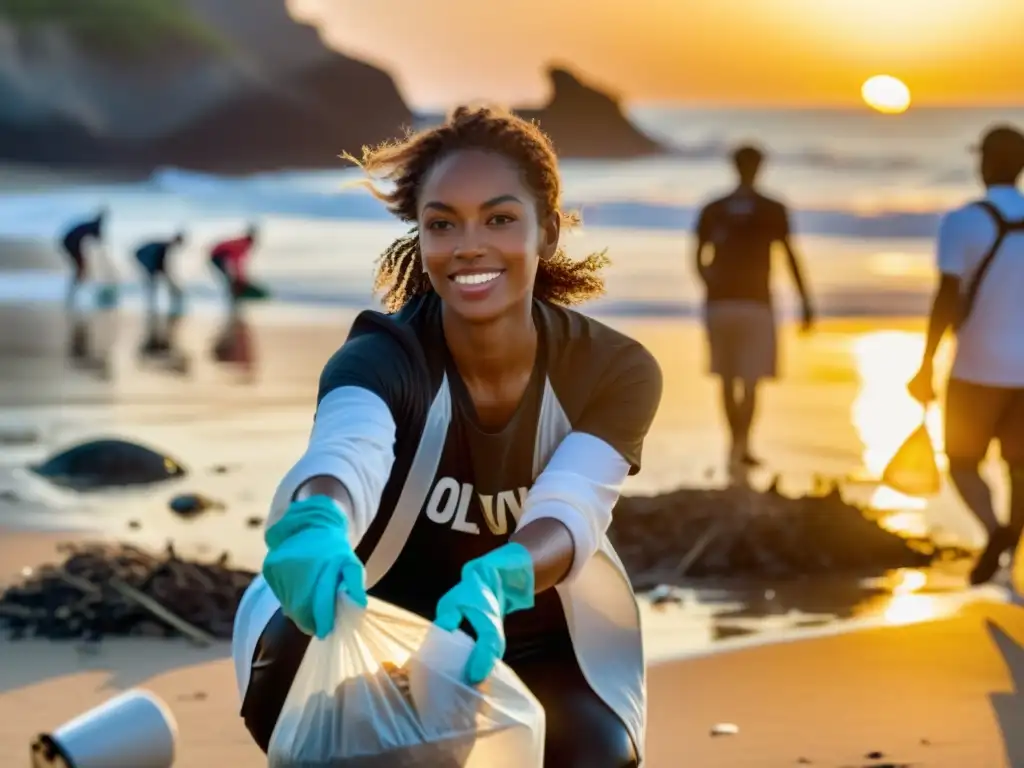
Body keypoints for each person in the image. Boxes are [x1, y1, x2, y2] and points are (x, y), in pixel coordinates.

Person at [231, 106, 663, 767]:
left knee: (594, 756)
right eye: (442, 223)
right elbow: (348, 455)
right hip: (363, 626)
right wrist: (319, 520)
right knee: (293, 678)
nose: (468, 244)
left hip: (524, 638)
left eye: (498, 218)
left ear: (546, 231)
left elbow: (572, 506)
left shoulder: (614, 370)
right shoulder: (380, 356)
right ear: (421, 237)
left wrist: (502, 579)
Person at [908, 124, 1024, 586]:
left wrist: (925, 363)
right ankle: (1011, 544)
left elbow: (946, 298)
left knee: (961, 462)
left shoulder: (962, 221)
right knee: (1019, 466)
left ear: (985, 163)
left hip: (976, 367)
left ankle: (994, 531)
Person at [693, 144, 814, 468]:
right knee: (751, 381)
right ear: (760, 167)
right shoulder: (772, 208)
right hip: (756, 302)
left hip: (720, 304)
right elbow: (789, 255)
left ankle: (734, 445)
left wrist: (711, 287)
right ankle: (742, 445)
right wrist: (806, 301)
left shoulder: (714, 207)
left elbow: (697, 257)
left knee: (726, 378)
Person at [59, 208, 108, 306]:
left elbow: (97, 240)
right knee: (81, 267)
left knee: (81, 266)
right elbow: (99, 239)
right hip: (71, 243)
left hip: (70, 242)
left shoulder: (90, 224)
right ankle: (75, 288)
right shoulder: (95, 226)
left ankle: (77, 287)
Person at [133, 232, 186, 316]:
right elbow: (160, 261)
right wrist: (161, 270)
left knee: (152, 285)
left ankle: (152, 306)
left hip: (147, 260)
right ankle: (152, 306)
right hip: (147, 261)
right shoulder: (164, 246)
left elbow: (161, 263)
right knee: (152, 285)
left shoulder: (164, 244)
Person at [209, 224, 258, 305]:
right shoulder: (242, 245)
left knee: (231, 278)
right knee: (230, 279)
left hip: (219, 256)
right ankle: (232, 297)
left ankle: (233, 296)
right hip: (216, 256)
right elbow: (236, 262)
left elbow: (236, 262)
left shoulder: (242, 243)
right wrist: (241, 278)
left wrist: (240, 277)